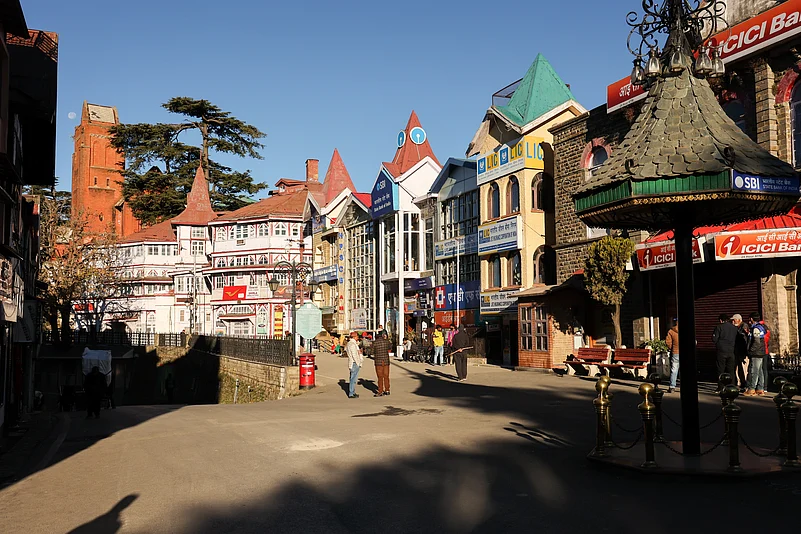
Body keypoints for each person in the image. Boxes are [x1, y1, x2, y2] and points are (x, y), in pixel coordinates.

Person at [744, 312, 769, 396]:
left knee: (754, 371)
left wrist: (751, 350)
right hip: (761, 352)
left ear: (751, 319)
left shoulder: (756, 329)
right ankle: (760, 389)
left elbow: (756, 342)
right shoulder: (761, 327)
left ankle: (751, 389)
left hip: (756, 353)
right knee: (760, 370)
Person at [712, 313, 738, 392]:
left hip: (721, 351)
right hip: (731, 350)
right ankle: (732, 386)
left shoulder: (719, 327)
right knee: (731, 370)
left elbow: (714, 339)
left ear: (720, 320)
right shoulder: (734, 328)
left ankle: (721, 387)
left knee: (721, 370)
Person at [732, 314, 749, 389]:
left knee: (743, 367)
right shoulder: (738, 327)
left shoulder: (743, 326)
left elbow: (744, 338)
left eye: (734, 320)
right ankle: (739, 382)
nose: (733, 321)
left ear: (738, 320)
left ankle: (744, 382)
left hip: (742, 351)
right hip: (737, 351)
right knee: (738, 367)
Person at [372, 332, 391, 396]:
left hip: (378, 362)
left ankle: (380, 391)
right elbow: (389, 348)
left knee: (380, 377)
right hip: (386, 361)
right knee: (386, 376)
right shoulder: (386, 342)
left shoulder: (375, 343)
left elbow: (372, 351)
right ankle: (387, 390)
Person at [345, 331, 363, 398]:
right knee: (353, 379)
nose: (358, 338)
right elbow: (354, 355)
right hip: (354, 363)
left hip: (352, 363)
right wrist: (358, 363)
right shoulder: (352, 344)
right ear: (354, 337)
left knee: (353, 378)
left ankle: (352, 392)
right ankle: (351, 393)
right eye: (357, 336)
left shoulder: (351, 343)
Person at [665, 319, 679, 393]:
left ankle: (672, 386)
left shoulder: (671, 331)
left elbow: (668, 342)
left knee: (674, 370)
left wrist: (672, 347)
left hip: (675, 352)